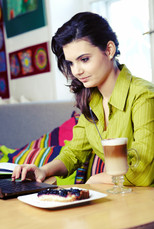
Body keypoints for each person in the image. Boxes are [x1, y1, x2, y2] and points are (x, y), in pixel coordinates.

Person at [12, 12, 154, 186]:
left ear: (109, 50)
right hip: (118, 198)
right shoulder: (91, 100)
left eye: (84, 59)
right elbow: (74, 152)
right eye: (71, 63)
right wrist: (43, 170)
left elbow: (143, 172)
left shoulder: (143, 95)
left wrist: (95, 180)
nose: (76, 71)